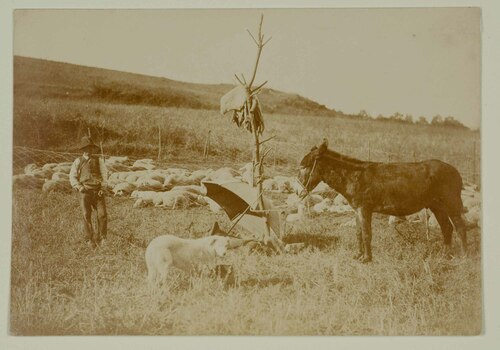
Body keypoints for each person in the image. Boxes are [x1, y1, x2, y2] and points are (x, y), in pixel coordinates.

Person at [69, 136, 108, 248]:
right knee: (86, 214)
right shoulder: (78, 161)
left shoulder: (98, 160)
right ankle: (89, 239)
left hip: (98, 191)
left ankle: (103, 238)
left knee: (102, 214)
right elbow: (72, 176)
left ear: (93, 149)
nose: (88, 150)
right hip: (85, 191)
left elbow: (105, 174)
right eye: (86, 148)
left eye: (90, 148)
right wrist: (79, 187)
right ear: (82, 150)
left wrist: (103, 188)